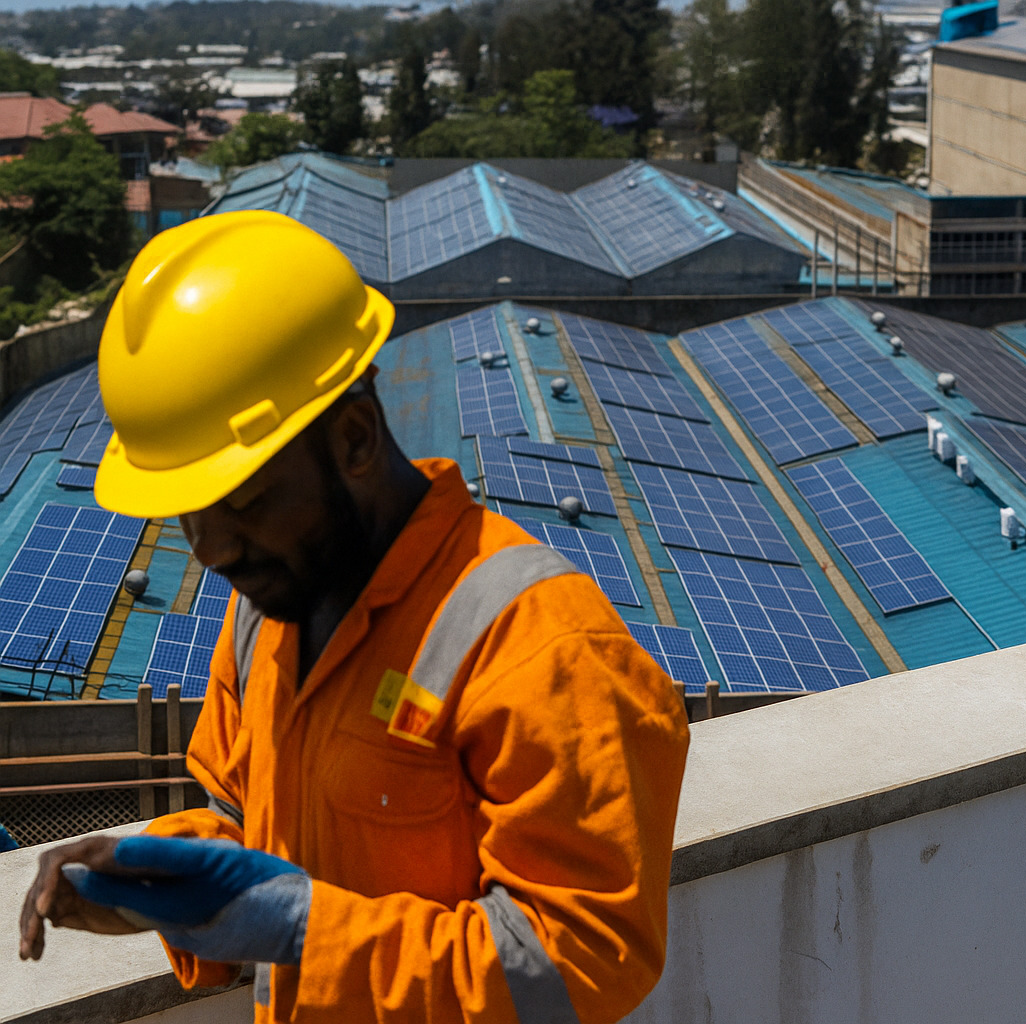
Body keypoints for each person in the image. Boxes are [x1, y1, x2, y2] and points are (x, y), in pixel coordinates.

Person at [16, 210, 691, 1024]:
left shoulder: (540, 647)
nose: (215, 550)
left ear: (357, 437)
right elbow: (245, 826)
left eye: (245, 503)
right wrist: (165, 884)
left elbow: (583, 960)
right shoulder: (264, 616)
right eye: (188, 516)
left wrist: (308, 930)